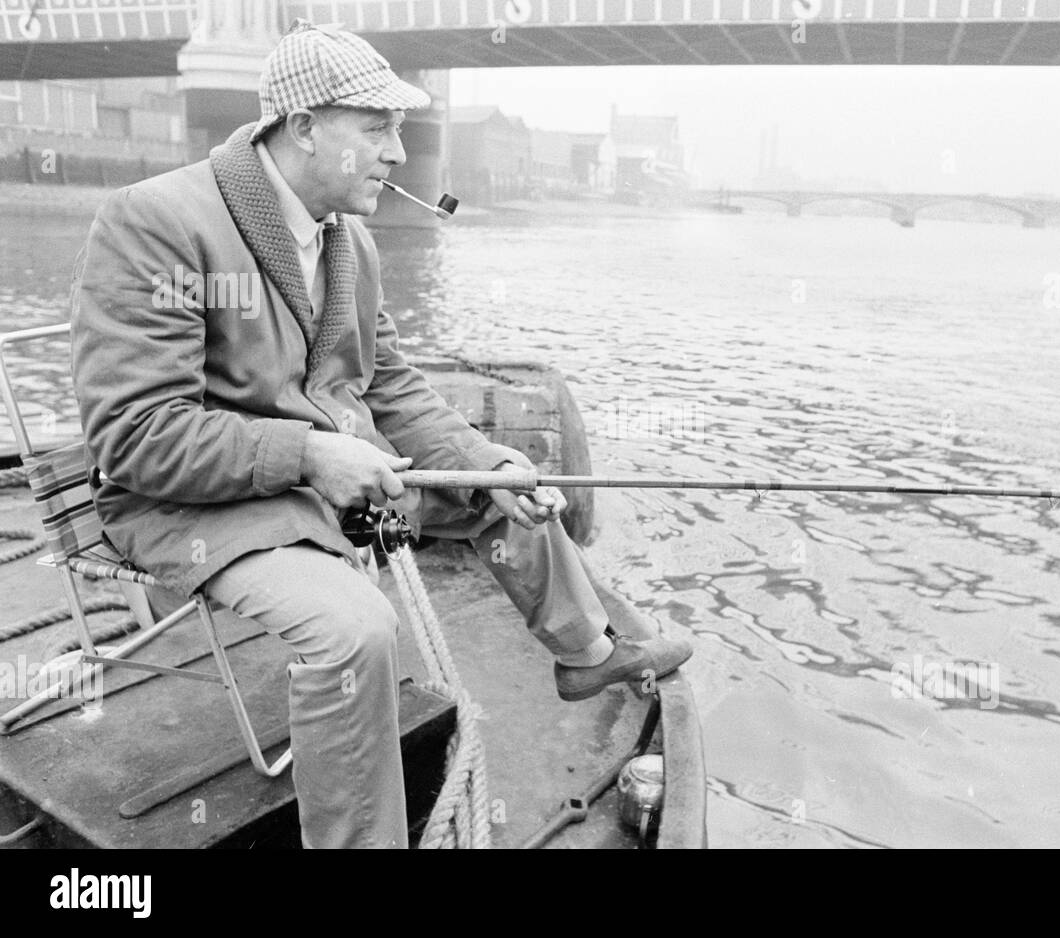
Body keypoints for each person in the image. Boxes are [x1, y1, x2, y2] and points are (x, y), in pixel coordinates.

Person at [68, 20, 691, 848]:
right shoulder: (154, 221)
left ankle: (586, 650)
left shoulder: (348, 240)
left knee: (505, 492)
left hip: (326, 479)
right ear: (302, 128)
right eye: (378, 128)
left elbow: (390, 386)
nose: (400, 153)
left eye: (399, 130)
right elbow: (135, 435)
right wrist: (310, 454)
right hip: (186, 507)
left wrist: (483, 462)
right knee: (353, 629)